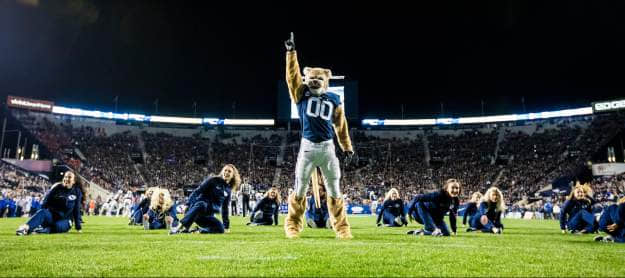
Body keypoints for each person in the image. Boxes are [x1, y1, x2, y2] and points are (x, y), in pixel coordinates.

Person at [283, 32, 354, 239]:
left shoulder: (333, 98)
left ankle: (342, 228)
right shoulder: (301, 93)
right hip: (307, 147)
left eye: (318, 78)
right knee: (300, 187)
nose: (313, 81)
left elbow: (341, 125)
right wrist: (291, 53)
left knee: (334, 189)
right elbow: (292, 77)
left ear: (326, 80)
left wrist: (347, 147)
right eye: (311, 78)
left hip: (327, 148)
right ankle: (293, 225)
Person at [170, 164, 240, 234]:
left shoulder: (228, 190)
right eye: (225, 170)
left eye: (229, 171)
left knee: (220, 229)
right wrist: (187, 204)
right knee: (202, 204)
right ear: (222, 171)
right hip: (196, 210)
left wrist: (226, 226)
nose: (227, 172)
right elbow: (197, 191)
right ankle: (178, 228)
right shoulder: (213, 180)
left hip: (207, 217)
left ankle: (197, 230)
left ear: (233, 175)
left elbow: (225, 209)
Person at [16, 171, 85, 235]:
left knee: (57, 226)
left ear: (74, 181)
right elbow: (45, 202)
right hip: (52, 216)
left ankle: (42, 230)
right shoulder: (57, 188)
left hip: (65, 220)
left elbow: (76, 209)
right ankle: (25, 228)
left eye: (69, 177)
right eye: (65, 177)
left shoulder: (77, 192)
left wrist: (78, 226)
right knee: (42, 212)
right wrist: (41, 216)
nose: (66, 179)